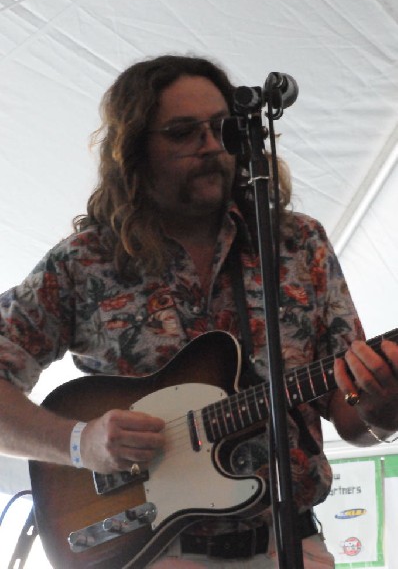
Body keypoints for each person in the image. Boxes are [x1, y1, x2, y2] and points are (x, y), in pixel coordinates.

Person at [1, 54, 398, 569]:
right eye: (183, 132)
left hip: (290, 544)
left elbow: (351, 414)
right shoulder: (86, 261)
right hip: (154, 551)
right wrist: (81, 444)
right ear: (135, 150)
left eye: (221, 128)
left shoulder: (298, 244)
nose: (211, 146)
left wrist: (382, 409)